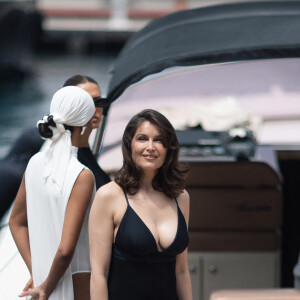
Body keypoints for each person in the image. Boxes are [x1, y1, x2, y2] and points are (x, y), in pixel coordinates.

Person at [89, 109, 193, 300]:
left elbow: (181, 271)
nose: (151, 147)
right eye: (143, 138)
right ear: (130, 145)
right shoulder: (109, 196)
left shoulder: (181, 197)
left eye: (159, 140)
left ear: (169, 148)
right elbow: (98, 274)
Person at [9, 86, 96, 300]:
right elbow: (66, 249)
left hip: (44, 283)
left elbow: (16, 222)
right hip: (77, 284)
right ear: (84, 125)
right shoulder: (82, 175)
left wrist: (38, 274)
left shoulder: (35, 163)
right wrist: (46, 286)